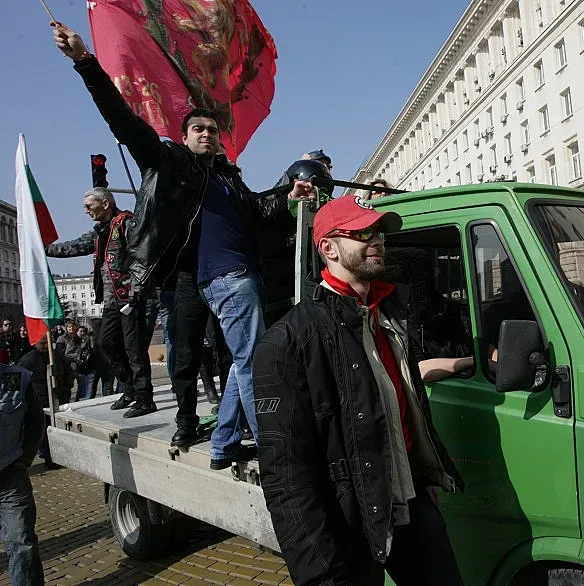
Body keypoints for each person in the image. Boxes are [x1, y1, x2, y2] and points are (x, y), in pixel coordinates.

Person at [52, 24, 310, 454]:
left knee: (238, 361)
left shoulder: (229, 178)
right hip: (187, 277)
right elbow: (123, 118)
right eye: (198, 129)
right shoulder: (168, 161)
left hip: (234, 274)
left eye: (212, 129)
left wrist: (290, 195)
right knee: (194, 357)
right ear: (185, 136)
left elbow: (258, 210)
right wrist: (85, 62)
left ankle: (225, 440)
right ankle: (231, 436)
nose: (206, 133)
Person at [254, 196, 464, 585]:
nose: (377, 240)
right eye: (362, 233)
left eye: (379, 232)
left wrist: (420, 478)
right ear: (328, 248)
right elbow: (286, 479)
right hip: (350, 521)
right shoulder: (287, 342)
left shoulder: (390, 315)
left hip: (412, 503)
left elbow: (403, 404)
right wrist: (320, 574)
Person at [46, 187, 155, 418]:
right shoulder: (97, 233)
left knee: (133, 348)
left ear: (105, 204)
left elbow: (143, 256)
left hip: (130, 298)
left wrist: (137, 289)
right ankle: (129, 389)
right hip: (110, 300)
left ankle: (145, 398)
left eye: (89, 206)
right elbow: (73, 246)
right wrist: (43, 249)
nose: (86, 211)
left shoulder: (126, 223)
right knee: (106, 343)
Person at [0, 363, 46, 585]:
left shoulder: (14, 379)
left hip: (10, 478)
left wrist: (26, 457)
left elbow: (36, 419)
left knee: (22, 543)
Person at [16, 334, 74, 469]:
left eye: (47, 343)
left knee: (59, 429)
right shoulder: (27, 360)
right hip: (40, 401)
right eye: (42, 344)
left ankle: (60, 455)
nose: (45, 346)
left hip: (58, 397)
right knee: (43, 432)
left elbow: (68, 370)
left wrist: (67, 384)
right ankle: (49, 457)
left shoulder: (57, 356)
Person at [67, 325, 96, 401]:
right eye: (80, 331)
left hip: (88, 366)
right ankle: (79, 401)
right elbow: (67, 354)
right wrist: (78, 356)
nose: (82, 333)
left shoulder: (88, 340)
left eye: (84, 331)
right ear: (77, 332)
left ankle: (82, 400)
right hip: (76, 367)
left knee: (86, 387)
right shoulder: (73, 341)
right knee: (82, 386)